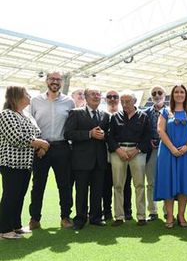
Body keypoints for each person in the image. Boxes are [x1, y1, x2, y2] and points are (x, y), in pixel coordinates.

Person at [0, 86, 49, 239]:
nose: (29, 96)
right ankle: (4, 229)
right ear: (17, 97)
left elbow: (36, 133)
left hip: (25, 163)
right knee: (10, 195)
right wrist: (39, 143)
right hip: (10, 163)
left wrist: (40, 147)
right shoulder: (6, 114)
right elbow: (16, 137)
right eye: (27, 94)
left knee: (19, 195)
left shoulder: (26, 115)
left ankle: (15, 226)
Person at [28, 71, 75, 229]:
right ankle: (34, 219)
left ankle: (65, 217)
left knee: (64, 184)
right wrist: (40, 145)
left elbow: (71, 125)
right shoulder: (35, 100)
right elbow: (31, 124)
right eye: (52, 79)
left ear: (61, 82)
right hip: (41, 148)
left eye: (58, 79)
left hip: (62, 147)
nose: (55, 81)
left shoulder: (69, 102)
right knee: (38, 185)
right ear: (46, 81)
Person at [64, 87, 110, 230]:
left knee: (97, 191)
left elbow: (109, 135)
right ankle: (80, 219)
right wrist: (89, 134)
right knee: (81, 191)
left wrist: (104, 136)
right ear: (85, 97)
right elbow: (68, 134)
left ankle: (95, 217)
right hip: (81, 160)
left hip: (100, 160)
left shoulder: (105, 115)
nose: (96, 96)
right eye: (92, 94)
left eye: (98, 94)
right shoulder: (75, 113)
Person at [155, 84, 187, 228]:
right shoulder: (165, 112)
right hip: (168, 153)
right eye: (176, 92)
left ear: (186, 95)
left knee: (184, 182)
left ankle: (181, 215)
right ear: (172, 95)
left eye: (182, 92)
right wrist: (173, 148)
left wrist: (186, 147)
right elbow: (160, 131)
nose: (179, 94)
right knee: (168, 182)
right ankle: (169, 216)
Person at [108, 91, 152, 226]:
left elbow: (147, 137)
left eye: (127, 101)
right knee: (118, 185)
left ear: (134, 102)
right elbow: (110, 136)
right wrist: (118, 150)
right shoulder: (115, 117)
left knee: (139, 185)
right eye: (122, 101)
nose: (124, 104)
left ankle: (141, 216)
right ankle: (119, 217)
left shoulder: (143, 117)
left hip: (137, 152)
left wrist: (136, 150)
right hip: (118, 152)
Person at [102, 90, 133, 221]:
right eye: (109, 97)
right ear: (106, 99)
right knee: (106, 185)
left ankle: (127, 210)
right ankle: (107, 211)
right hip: (105, 156)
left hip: (124, 155)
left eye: (115, 97)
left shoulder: (125, 113)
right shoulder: (102, 114)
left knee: (126, 184)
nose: (112, 99)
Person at [142, 85, 166, 221]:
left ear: (164, 94)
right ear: (151, 96)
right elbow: (141, 132)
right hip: (151, 152)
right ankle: (152, 211)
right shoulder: (145, 113)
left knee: (166, 181)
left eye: (159, 92)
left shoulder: (171, 112)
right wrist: (148, 141)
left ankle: (167, 211)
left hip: (167, 151)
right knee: (150, 182)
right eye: (154, 93)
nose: (157, 95)